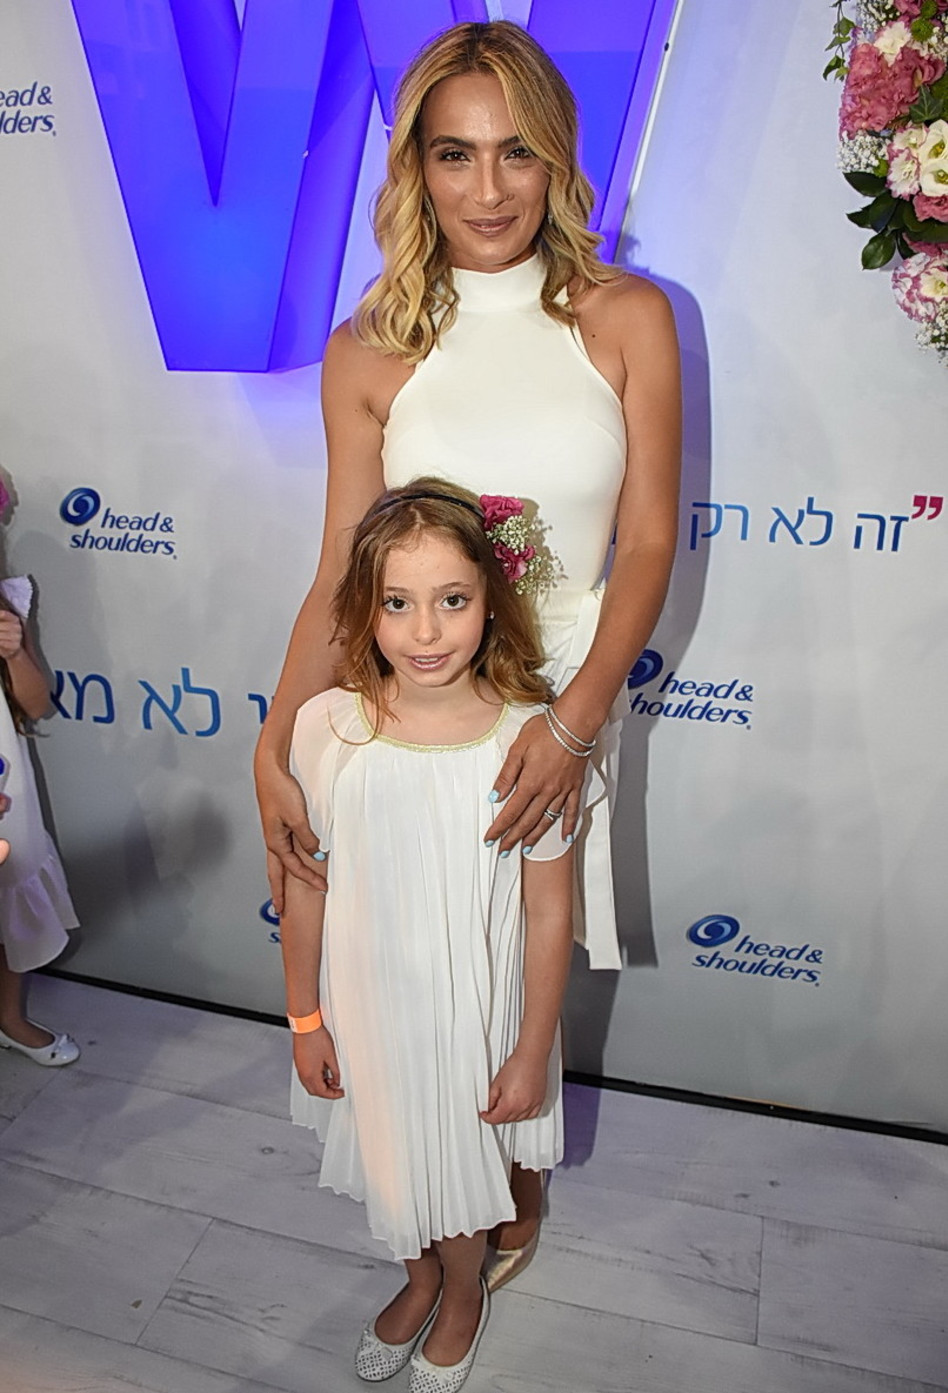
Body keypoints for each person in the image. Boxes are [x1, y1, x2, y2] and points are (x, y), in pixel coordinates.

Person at [255, 19, 680, 1280]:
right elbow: (342, 573)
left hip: (559, 711)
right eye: (455, 154)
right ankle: (432, 1192)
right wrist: (273, 744)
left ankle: (515, 1178)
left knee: (523, 965)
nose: (488, 190)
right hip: (410, 722)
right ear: (416, 169)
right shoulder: (368, 347)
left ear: (557, 160)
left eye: (516, 153)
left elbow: (649, 542)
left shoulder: (627, 318)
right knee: (424, 967)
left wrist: (575, 722)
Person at [281, 479, 574, 1389]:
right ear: (363, 608)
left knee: (460, 1162)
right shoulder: (327, 729)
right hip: (369, 1009)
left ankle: (462, 1292)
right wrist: (305, 1017)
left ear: (491, 597)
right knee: (389, 1152)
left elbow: (549, 908)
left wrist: (532, 1048)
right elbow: (304, 888)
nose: (426, 631)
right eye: (397, 603)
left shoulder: (531, 740)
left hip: (475, 1017)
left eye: (452, 599)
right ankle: (418, 1276)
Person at [0, 558, 80, 1067]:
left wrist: (13, 653)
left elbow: (34, 704)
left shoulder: (7, 600)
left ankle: (8, 1018)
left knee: (13, 889)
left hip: (5, 777)